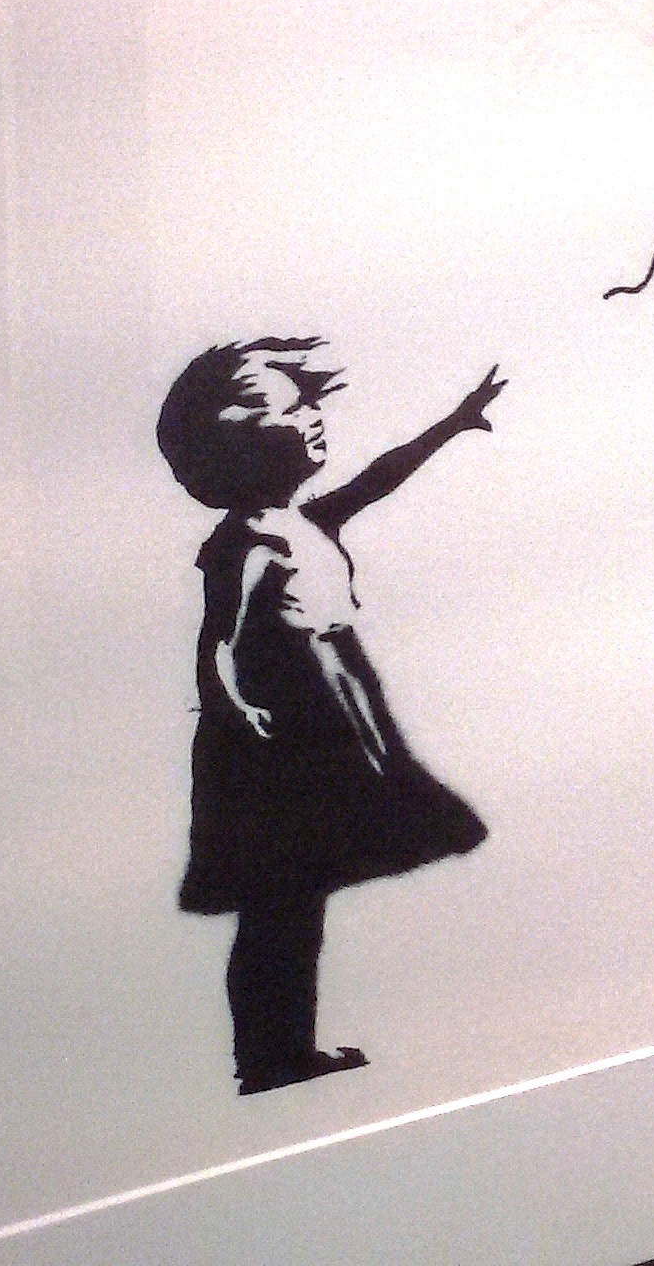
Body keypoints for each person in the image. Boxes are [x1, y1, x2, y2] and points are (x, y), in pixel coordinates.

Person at [158, 338, 503, 1093]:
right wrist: (235, 707)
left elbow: (381, 477)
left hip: (333, 711)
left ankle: (283, 1051)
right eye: (294, 409)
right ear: (239, 442)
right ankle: (269, 1056)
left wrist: (454, 423)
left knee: (297, 898)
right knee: (279, 901)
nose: (315, 417)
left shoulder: (307, 519)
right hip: (282, 733)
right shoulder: (245, 543)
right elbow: (217, 641)